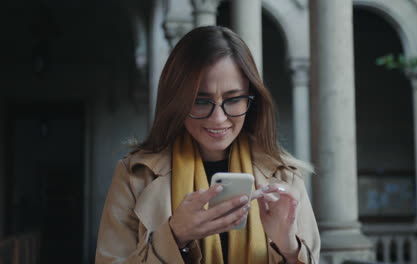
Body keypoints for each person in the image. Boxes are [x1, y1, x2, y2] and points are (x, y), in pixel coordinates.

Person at [95, 26, 320, 264]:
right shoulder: (135, 176)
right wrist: (174, 236)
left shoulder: (284, 175)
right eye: (201, 101)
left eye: (233, 99)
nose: (218, 118)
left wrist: (289, 247)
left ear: (251, 99)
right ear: (177, 100)